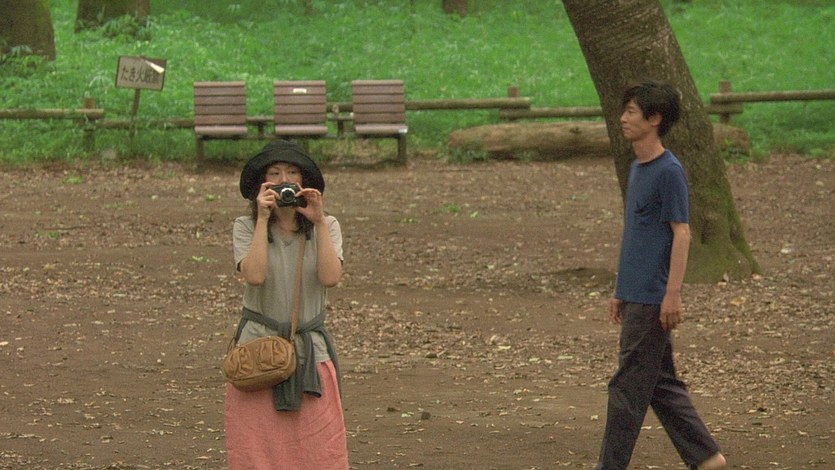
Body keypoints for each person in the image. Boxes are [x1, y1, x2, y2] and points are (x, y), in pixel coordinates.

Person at [596, 79, 726, 470]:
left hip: (653, 297)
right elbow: (636, 235)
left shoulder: (669, 171)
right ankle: (707, 458)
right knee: (660, 383)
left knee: (626, 387)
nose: (623, 118)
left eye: (631, 112)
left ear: (654, 119)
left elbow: (681, 233)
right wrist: (620, 288)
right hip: (635, 292)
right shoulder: (638, 167)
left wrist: (672, 294)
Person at [225, 140, 348, 469]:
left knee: (318, 451)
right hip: (257, 352)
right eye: (275, 174)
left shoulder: (328, 226)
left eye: (292, 173)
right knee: (256, 451)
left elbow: (330, 277)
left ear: (304, 182)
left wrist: (318, 222)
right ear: (261, 184)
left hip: (310, 354)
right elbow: (254, 275)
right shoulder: (245, 226)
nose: (284, 181)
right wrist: (262, 220)